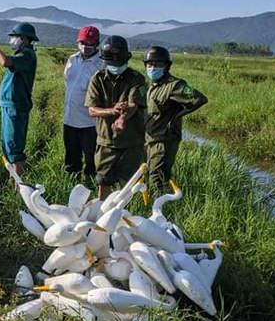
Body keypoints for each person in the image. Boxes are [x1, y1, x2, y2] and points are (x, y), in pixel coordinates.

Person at [84, 35, 147, 200]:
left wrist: (122, 118)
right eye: (112, 63)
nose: (116, 67)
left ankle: (126, 213)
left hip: (131, 142)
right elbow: (92, 110)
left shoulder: (137, 79)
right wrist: (112, 111)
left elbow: (133, 104)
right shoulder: (97, 79)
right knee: (103, 181)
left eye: (119, 63)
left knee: (128, 184)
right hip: (106, 141)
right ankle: (103, 212)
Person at [144, 46, 208, 193]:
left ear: (166, 66)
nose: (153, 68)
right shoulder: (152, 85)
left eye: (158, 64)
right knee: (148, 174)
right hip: (150, 139)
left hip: (164, 141)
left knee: (157, 179)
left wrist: (177, 115)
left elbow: (199, 99)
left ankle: (160, 205)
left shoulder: (175, 85)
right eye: (150, 64)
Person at [0, 22, 38, 177]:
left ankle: (18, 185)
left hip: (16, 106)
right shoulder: (21, 54)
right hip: (9, 105)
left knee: (14, 147)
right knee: (7, 145)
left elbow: (5, 62)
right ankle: (12, 181)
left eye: (16, 37)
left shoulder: (27, 55)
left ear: (25, 39)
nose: (12, 40)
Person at [63, 25, 104, 179]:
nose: (85, 46)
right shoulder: (72, 59)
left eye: (90, 43)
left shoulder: (101, 64)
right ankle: (71, 183)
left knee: (91, 158)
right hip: (69, 119)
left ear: (96, 44)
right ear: (78, 42)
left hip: (89, 122)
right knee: (71, 157)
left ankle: (91, 185)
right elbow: (68, 82)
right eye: (82, 43)